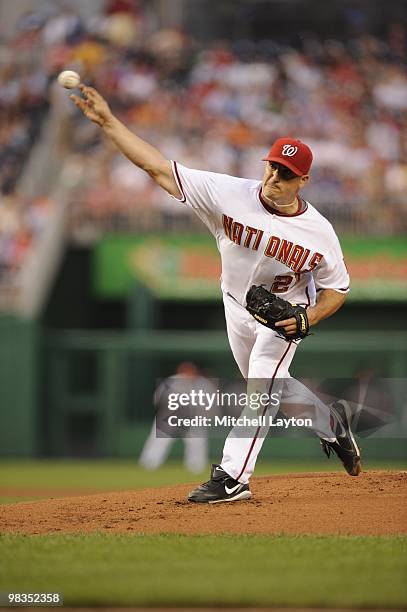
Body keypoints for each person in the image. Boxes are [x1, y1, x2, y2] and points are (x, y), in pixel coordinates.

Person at [71, 84, 361, 504]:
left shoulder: (319, 232)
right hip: (236, 304)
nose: (274, 178)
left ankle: (232, 477)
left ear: (304, 181)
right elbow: (157, 168)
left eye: (285, 174)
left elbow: (338, 288)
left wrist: (307, 318)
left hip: (285, 314)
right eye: (272, 167)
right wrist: (109, 122)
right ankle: (333, 426)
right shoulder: (228, 194)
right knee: (270, 386)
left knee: (262, 386)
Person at [138, 361, 215, 473]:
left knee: (197, 441)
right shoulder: (172, 381)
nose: (188, 374)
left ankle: (196, 467)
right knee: (159, 440)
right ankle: (149, 463)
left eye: (191, 372)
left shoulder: (203, 384)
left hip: (192, 417)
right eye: (185, 372)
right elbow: (157, 399)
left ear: (195, 372)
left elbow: (211, 403)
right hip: (170, 416)